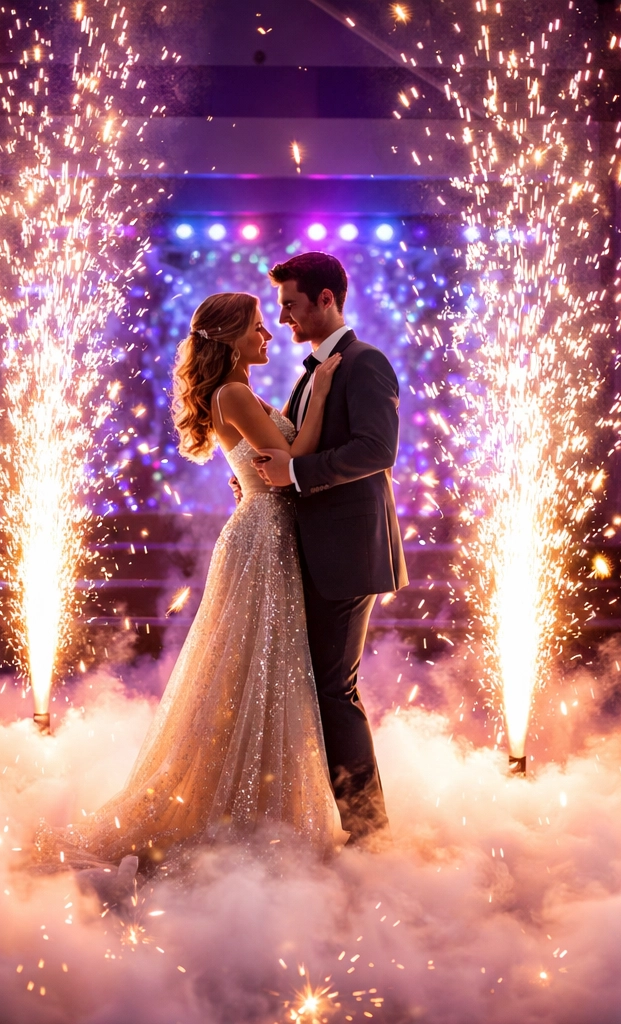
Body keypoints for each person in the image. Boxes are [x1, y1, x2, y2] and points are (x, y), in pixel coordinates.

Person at [41, 292, 346, 868]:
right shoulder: (232, 393)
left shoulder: (239, 392)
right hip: (262, 535)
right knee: (257, 665)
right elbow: (289, 464)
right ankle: (242, 805)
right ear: (231, 336)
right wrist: (324, 395)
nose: (269, 335)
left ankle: (255, 798)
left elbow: (265, 458)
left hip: (263, 531)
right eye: (258, 328)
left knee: (263, 667)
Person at [251, 251, 408, 842]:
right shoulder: (318, 368)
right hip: (321, 552)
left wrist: (293, 476)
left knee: (332, 690)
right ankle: (350, 821)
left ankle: (369, 830)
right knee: (323, 687)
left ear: (325, 299)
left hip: (346, 554)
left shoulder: (365, 363)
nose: (283, 318)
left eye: (290, 305)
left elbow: (376, 449)